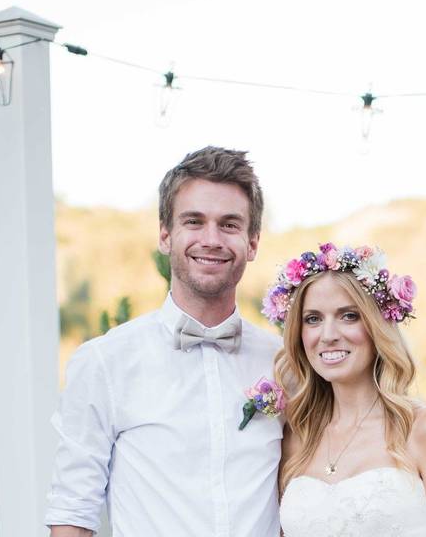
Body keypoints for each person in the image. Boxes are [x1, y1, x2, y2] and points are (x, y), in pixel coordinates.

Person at [45, 147, 283, 536]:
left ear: (252, 242)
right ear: (165, 234)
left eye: (229, 225)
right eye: (194, 221)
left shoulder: (284, 362)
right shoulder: (105, 362)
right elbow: (73, 511)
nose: (211, 239)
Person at [266, 244, 426, 537]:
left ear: (377, 325)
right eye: (313, 319)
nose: (328, 336)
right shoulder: (295, 439)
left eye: (348, 316)